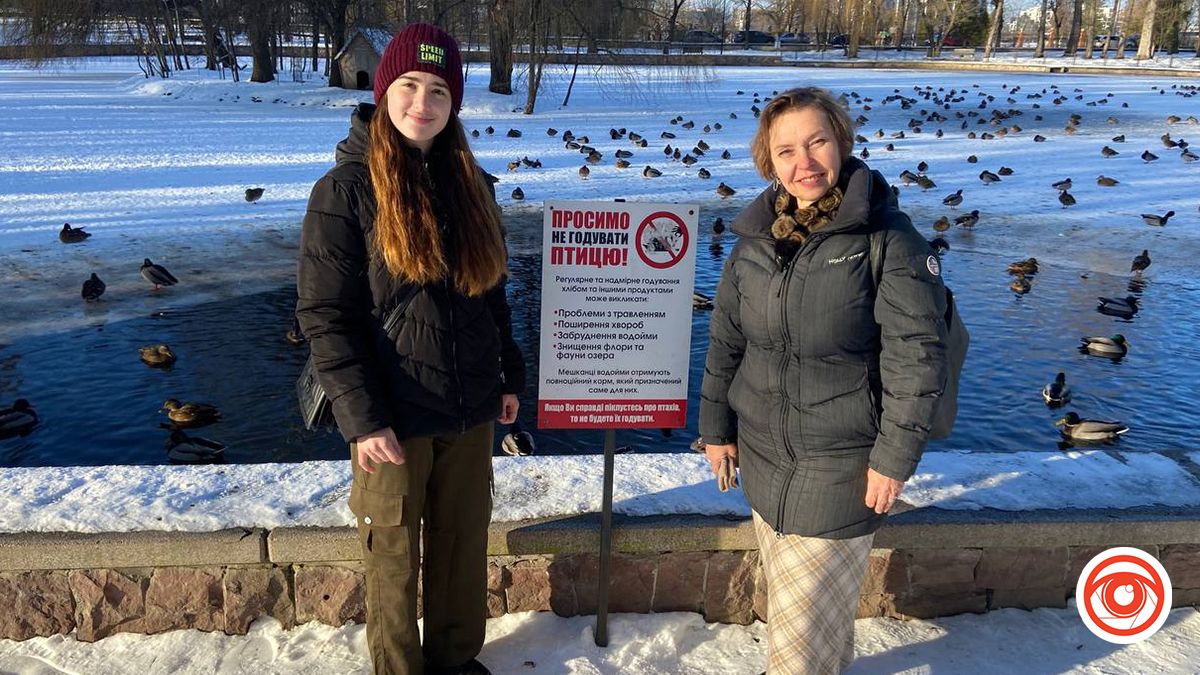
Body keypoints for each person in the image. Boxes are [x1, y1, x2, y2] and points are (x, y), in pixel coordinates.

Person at [296, 23, 524, 675]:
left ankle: (456, 659)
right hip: (390, 414)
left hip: (470, 405)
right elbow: (325, 316)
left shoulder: (473, 183)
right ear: (383, 89)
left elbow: (491, 293)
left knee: (461, 543)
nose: (422, 103)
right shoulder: (345, 190)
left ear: (455, 102)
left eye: (438, 90)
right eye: (409, 85)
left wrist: (509, 375)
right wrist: (363, 419)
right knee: (392, 556)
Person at [699, 87, 948, 673]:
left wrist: (894, 458)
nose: (804, 163)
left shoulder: (887, 240)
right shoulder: (755, 242)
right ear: (769, 161)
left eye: (816, 142)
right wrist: (716, 429)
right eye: (786, 151)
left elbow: (917, 357)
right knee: (814, 635)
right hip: (764, 463)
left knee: (797, 648)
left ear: (841, 142)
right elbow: (727, 343)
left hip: (842, 469)